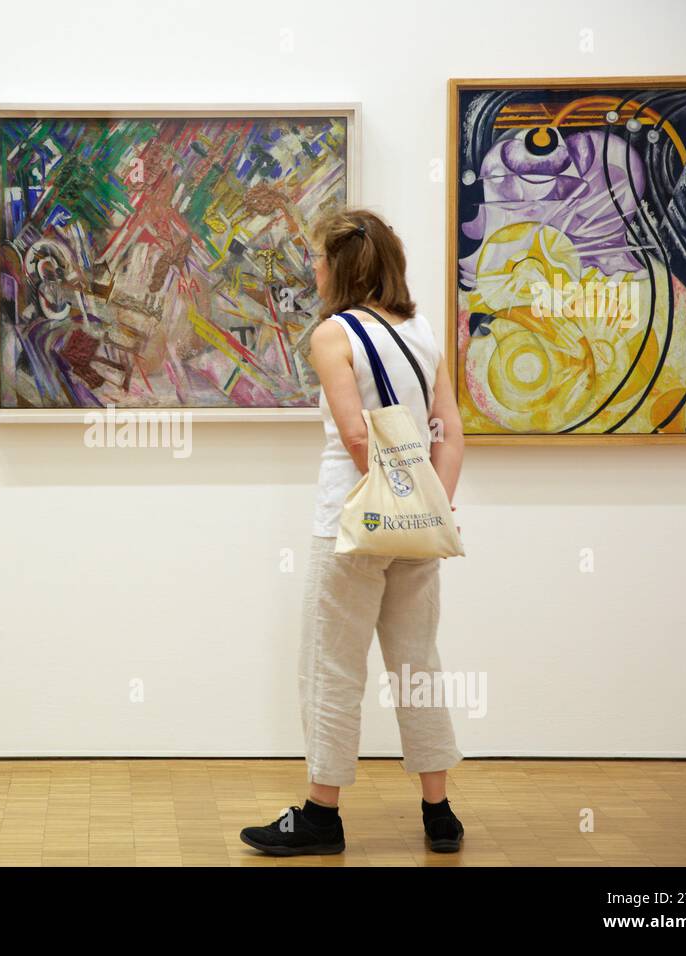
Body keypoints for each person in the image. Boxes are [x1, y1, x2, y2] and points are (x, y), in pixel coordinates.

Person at [240, 208, 466, 856]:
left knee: (331, 668)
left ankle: (321, 815)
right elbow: (449, 433)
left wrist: (391, 500)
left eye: (317, 258)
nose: (311, 268)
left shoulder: (331, 334)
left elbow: (357, 435)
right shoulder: (423, 332)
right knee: (418, 665)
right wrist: (430, 510)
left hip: (351, 524)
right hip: (417, 533)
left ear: (340, 266)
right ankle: (439, 812)